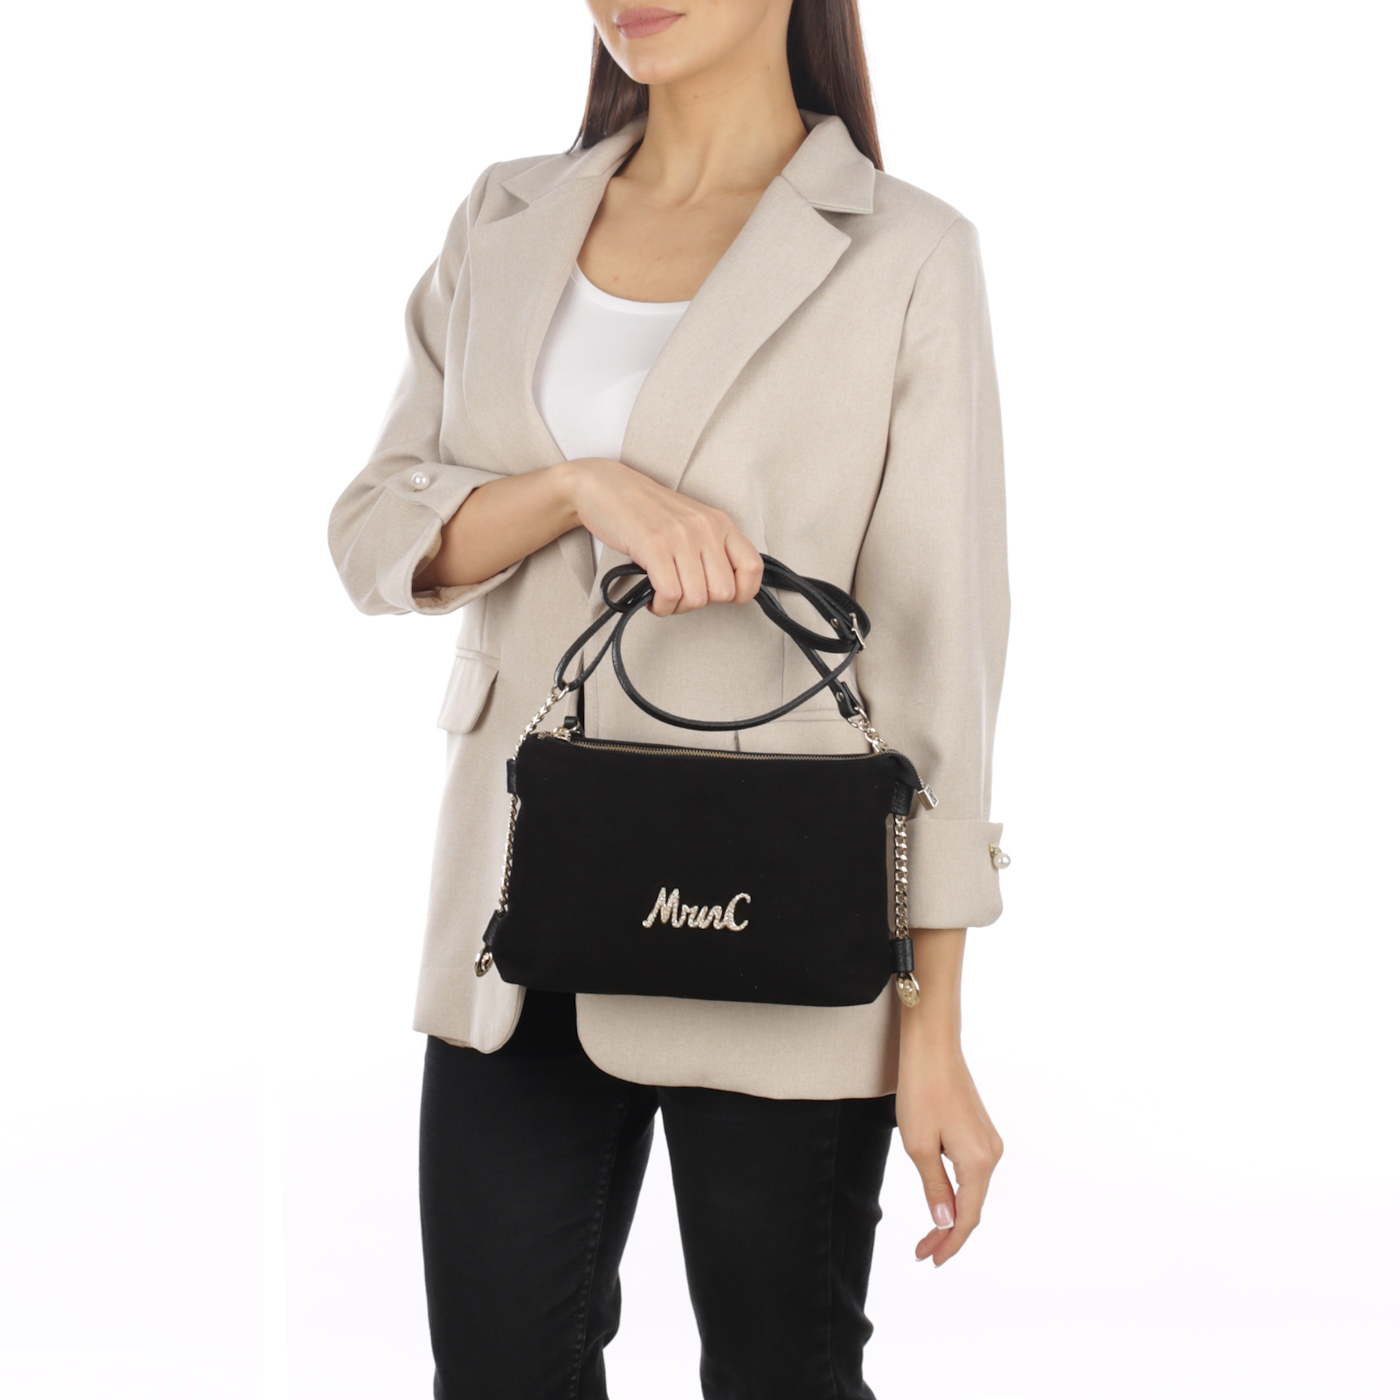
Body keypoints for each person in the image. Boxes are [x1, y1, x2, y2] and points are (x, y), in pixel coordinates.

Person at [329, 2, 1010, 1396]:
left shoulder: (905, 252)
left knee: (781, 1374)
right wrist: (582, 489)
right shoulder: (505, 216)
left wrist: (934, 1029)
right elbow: (377, 527)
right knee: (497, 1372)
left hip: (785, 912)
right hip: (521, 916)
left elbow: (940, 655)